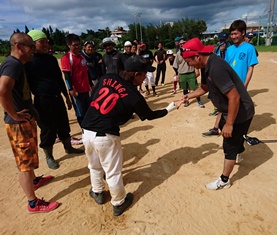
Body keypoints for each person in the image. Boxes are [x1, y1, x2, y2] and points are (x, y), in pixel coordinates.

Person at [81, 55, 177, 216]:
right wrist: (168, 109)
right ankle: (119, 202)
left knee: (94, 165)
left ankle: (97, 191)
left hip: (87, 130)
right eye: (144, 73)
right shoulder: (134, 95)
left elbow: (93, 97)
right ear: (135, 74)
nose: (145, 77)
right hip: (106, 135)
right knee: (112, 171)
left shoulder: (107, 77)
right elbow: (149, 115)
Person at [179, 37, 255, 190]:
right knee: (227, 132)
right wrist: (189, 96)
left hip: (240, 111)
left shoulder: (216, 68)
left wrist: (229, 123)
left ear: (197, 56)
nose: (189, 65)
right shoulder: (205, 65)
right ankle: (239, 150)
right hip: (230, 109)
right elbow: (205, 88)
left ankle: (224, 180)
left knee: (229, 144)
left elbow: (234, 97)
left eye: (188, 61)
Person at [0, 32, 58, 213]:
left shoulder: (19, 64)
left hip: (24, 120)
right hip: (18, 124)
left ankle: (34, 181)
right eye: (31, 47)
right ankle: (33, 203)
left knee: (29, 157)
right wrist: (15, 115)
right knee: (24, 164)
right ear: (19, 47)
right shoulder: (12, 65)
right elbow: (2, 90)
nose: (34, 50)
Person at [25, 30, 84, 169]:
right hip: (42, 101)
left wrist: (67, 97)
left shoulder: (51, 59)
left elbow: (59, 79)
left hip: (57, 98)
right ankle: (49, 156)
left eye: (47, 42)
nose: (46, 45)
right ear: (33, 43)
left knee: (63, 124)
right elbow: (26, 87)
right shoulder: (28, 62)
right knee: (48, 129)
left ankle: (68, 148)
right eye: (42, 42)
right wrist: (30, 106)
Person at [202, 20, 258, 146]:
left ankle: (237, 139)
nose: (233, 37)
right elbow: (225, 66)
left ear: (243, 33)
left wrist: (245, 85)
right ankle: (216, 128)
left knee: (235, 107)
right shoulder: (230, 49)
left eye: (235, 34)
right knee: (223, 106)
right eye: (231, 34)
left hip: (239, 85)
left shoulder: (249, 48)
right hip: (227, 83)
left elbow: (250, 68)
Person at [61, 34, 91, 126]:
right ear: (69, 45)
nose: (77, 47)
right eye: (75, 45)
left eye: (79, 44)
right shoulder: (67, 58)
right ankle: (84, 131)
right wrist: (70, 89)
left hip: (86, 90)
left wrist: (91, 86)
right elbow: (66, 76)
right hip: (77, 91)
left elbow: (86, 73)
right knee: (80, 112)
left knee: (88, 111)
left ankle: (89, 130)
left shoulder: (82, 57)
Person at [173, 38, 204, 108]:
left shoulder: (191, 52)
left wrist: (197, 70)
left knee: (195, 88)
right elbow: (175, 66)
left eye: (183, 43)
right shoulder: (178, 54)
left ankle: (199, 101)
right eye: (180, 44)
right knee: (185, 89)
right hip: (182, 74)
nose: (182, 45)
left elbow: (196, 61)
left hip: (191, 73)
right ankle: (186, 101)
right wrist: (177, 74)